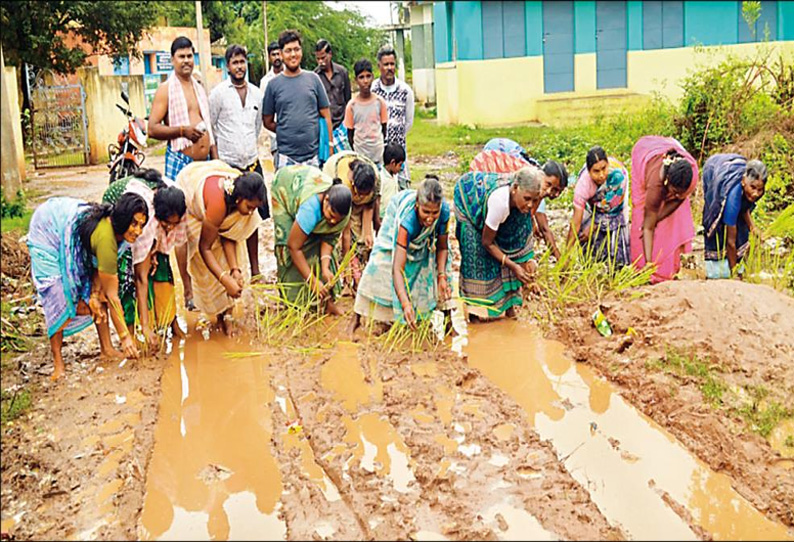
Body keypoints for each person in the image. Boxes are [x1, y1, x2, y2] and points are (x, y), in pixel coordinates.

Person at [28, 193, 148, 380]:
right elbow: (112, 295)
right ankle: (58, 362)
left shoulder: (118, 235)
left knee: (98, 295)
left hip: (66, 224)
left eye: (142, 225)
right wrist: (125, 337)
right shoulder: (106, 240)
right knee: (57, 294)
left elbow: (101, 278)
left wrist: (94, 293)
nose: (138, 231)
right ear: (123, 219)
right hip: (48, 230)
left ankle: (107, 348)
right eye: (134, 224)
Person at [148, 36, 215, 311]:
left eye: (190, 56)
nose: (186, 61)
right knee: (180, 229)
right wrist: (181, 131)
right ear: (173, 59)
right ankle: (187, 292)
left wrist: (216, 160)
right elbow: (152, 128)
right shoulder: (166, 89)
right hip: (179, 161)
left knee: (205, 225)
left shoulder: (199, 87)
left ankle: (206, 288)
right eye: (181, 57)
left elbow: (210, 128)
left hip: (203, 164)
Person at [350, 176, 453, 333]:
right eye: (426, 212)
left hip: (427, 243)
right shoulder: (407, 221)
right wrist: (405, 304)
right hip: (395, 219)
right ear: (417, 205)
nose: (430, 218)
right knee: (379, 264)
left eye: (435, 212)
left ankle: (448, 321)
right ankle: (356, 319)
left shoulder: (444, 212)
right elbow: (397, 269)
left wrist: (441, 276)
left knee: (441, 268)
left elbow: (442, 247)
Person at [176, 161, 266, 335]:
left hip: (214, 192)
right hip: (191, 194)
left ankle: (227, 315)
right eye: (249, 207)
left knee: (229, 261)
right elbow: (205, 248)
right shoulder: (218, 206)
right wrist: (225, 279)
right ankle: (214, 311)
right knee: (207, 267)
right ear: (239, 199)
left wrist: (234, 270)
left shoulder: (238, 199)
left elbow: (229, 234)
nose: (250, 213)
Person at [102, 169, 188, 346]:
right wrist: (147, 327)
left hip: (146, 217)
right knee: (127, 278)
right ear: (158, 218)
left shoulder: (175, 199)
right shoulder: (145, 219)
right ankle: (132, 333)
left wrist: (156, 249)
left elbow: (168, 237)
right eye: (167, 224)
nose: (171, 229)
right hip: (123, 216)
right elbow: (141, 278)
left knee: (163, 269)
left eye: (175, 224)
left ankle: (171, 322)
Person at [210, 43, 269, 279]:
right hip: (227, 166)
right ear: (227, 66)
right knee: (228, 220)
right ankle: (233, 271)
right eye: (234, 62)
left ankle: (255, 271)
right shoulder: (218, 94)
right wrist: (217, 164)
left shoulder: (257, 93)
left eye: (242, 62)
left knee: (253, 218)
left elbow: (257, 127)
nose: (239, 66)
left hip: (251, 163)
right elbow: (212, 127)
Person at [454, 168, 544, 320]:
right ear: (515, 188)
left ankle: (509, 309)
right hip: (469, 206)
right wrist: (513, 266)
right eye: (527, 198)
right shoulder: (500, 203)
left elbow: (520, 241)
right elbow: (487, 242)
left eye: (534, 200)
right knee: (476, 257)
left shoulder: (522, 202)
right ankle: (475, 315)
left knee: (509, 245)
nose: (530, 205)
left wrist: (524, 264)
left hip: (496, 213)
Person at [271, 165, 352, 315]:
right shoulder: (310, 208)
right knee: (288, 253)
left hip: (307, 190)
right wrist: (312, 281)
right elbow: (293, 247)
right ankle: (292, 305)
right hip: (284, 188)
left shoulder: (343, 213)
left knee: (315, 248)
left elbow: (328, 239)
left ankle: (327, 303)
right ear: (326, 200)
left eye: (337, 219)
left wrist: (325, 267)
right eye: (331, 215)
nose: (333, 222)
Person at [470, 148, 568, 259]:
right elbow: (544, 229)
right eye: (548, 184)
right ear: (541, 176)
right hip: (486, 165)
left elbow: (533, 219)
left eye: (557, 190)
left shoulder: (535, 194)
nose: (550, 192)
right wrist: (560, 259)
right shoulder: (523, 185)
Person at [629, 136, 698, 283]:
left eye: (680, 192)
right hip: (643, 153)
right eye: (674, 191)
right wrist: (648, 263)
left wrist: (659, 218)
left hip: (668, 155)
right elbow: (647, 227)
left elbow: (680, 199)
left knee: (680, 221)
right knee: (642, 219)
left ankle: (682, 268)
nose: (677, 195)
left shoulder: (690, 174)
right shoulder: (655, 186)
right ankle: (645, 272)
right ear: (667, 181)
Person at [263, 29, 334, 169]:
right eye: (288, 50)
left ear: (301, 51)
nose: (293, 54)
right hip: (285, 157)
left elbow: (326, 116)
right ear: (282, 54)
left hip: (313, 156)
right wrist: (286, 129)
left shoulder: (314, 79)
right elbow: (267, 121)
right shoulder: (273, 85)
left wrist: (330, 147)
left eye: (296, 49)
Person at [701, 154, 767, 278]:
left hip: (729, 164)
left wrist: (753, 228)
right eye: (752, 187)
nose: (755, 194)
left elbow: (744, 207)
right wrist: (735, 273)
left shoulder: (751, 188)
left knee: (739, 224)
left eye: (760, 190)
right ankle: (722, 267)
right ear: (743, 181)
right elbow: (731, 242)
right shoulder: (732, 197)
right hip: (713, 169)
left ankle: (735, 262)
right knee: (720, 223)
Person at [322, 150, 379, 289]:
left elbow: (369, 205)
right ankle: (346, 276)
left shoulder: (375, 180)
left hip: (357, 187)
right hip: (338, 188)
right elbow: (345, 232)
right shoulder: (344, 183)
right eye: (358, 194)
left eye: (363, 195)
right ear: (354, 185)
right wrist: (346, 262)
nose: (360, 197)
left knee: (362, 241)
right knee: (341, 237)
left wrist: (367, 234)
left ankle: (359, 276)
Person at [566, 146, 630, 267]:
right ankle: (590, 263)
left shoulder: (618, 176)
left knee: (615, 240)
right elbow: (576, 221)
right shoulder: (584, 184)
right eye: (596, 171)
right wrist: (566, 254)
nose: (601, 175)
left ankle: (615, 268)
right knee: (584, 233)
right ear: (589, 171)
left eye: (603, 168)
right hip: (594, 207)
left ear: (607, 164)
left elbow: (611, 210)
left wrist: (594, 225)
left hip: (615, 208)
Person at [372, 45, 414, 187]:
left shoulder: (405, 91)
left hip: (399, 154)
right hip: (378, 153)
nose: (389, 68)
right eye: (386, 64)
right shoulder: (373, 90)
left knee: (402, 188)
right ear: (379, 66)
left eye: (392, 64)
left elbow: (408, 122)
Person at [344, 58, 388, 166]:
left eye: (368, 76)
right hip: (360, 157)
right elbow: (350, 134)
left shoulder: (379, 102)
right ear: (355, 80)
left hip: (378, 155)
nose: (365, 81)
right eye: (361, 77)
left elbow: (384, 128)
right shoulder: (351, 106)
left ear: (372, 77)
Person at [315, 39, 352, 157]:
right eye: (318, 59)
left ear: (330, 54)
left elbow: (348, 100)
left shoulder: (342, 73)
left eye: (323, 58)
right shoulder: (315, 77)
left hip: (342, 127)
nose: (321, 62)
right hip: (325, 130)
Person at [260, 41, 284, 166]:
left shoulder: (291, 76)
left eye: (279, 54)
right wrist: (274, 132)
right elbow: (266, 110)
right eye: (273, 55)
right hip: (275, 134)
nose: (277, 57)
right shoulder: (265, 82)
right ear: (269, 57)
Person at [379, 143, 407, 223]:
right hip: (383, 218)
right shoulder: (381, 178)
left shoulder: (395, 176)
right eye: (400, 165)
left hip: (394, 215)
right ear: (393, 163)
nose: (401, 168)